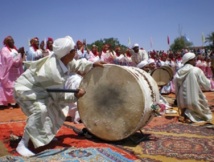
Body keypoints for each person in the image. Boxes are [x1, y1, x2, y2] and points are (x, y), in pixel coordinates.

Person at [14, 36, 105, 157]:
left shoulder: (62, 59)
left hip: (42, 90)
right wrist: (76, 96)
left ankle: (45, 136)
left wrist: (92, 64)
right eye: (73, 50)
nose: (75, 51)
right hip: (27, 90)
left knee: (55, 109)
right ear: (67, 53)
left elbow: (77, 64)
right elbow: (59, 97)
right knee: (40, 110)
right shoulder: (53, 71)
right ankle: (23, 144)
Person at [174, 52, 213, 123]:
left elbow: (175, 87)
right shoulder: (196, 70)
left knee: (187, 102)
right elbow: (207, 85)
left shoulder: (179, 72)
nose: (195, 61)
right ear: (190, 60)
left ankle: (185, 114)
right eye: (194, 59)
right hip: (194, 103)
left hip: (181, 102)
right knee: (205, 110)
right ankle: (190, 115)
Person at [0, 36, 25, 107]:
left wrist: (21, 54)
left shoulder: (14, 49)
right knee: (7, 86)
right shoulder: (4, 49)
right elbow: (8, 59)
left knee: (15, 86)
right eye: (11, 41)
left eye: (13, 40)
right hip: (8, 72)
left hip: (15, 72)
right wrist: (19, 54)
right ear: (7, 42)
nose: (13, 42)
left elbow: (19, 60)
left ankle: (14, 101)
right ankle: (5, 102)